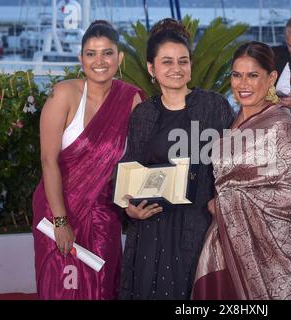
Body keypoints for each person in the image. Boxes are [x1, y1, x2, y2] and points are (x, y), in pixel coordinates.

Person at [118, 18, 234, 300]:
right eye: (167, 62)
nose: (176, 69)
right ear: (151, 69)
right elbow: (129, 170)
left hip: (199, 226)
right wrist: (128, 207)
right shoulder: (144, 114)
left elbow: (232, 166)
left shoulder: (213, 106)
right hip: (151, 227)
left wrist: (223, 202)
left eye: (183, 61)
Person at [32, 20, 145, 299]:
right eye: (91, 53)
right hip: (57, 209)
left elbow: (136, 160)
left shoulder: (131, 99)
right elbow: (48, 160)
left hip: (105, 211)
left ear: (119, 58)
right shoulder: (64, 94)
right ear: (81, 58)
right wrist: (60, 221)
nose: (99, 61)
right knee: (64, 287)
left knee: (103, 285)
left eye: (107, 53)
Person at [192, 41, 291, 300]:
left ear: (271, 78)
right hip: (225, 242)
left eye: (252, 75)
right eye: (236, 75)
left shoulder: (279, 124)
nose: (242, 84)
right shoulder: (235, 119)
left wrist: (225, 202)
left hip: (272, 257)